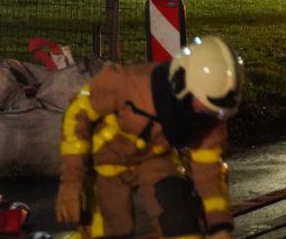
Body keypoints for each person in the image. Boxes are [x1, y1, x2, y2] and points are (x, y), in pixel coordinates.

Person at [56, 36, 242, 239]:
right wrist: (71, 183)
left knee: (181, 224)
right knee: (112, 232)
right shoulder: (129, 84)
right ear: (182, 84)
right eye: (203, 104)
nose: (205, 114)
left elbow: (208, 172)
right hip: (106, 160)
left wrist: (219, 226)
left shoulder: (212, 113)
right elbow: (77, 115)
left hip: (156, 158)